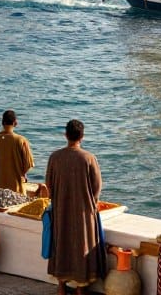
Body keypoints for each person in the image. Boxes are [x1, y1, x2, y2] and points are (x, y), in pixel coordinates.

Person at [45, 119, 106, 295]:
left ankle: (61, 286)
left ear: (66, 135)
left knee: (61, 243)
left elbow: (49, 184)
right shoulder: (88, 158)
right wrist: (91, 203)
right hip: (83, 211)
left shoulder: (55, 157)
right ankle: (80, 287)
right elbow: (97, 187)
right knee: (82, 246)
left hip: (61, 208)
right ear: (82, 136)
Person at [0, 109, 35, 194]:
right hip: (16, 189)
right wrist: (22, 174)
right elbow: (28, 164)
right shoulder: (21, 140)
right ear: (15, 123)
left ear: (2, 122)